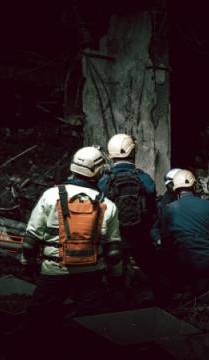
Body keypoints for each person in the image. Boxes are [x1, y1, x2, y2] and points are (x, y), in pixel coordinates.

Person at [21, 146, 121, 338]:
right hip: (90, 274)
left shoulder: (50, 195)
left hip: (53, 271)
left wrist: (28, 263)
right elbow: (114, 252)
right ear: (99, 171)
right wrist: (115, 279)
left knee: (37, 324)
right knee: (89, 328)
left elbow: (31, 239)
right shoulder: (108, 204)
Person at [99, 134, 158, 292]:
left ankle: (118, 301)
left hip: (114, 237)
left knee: (115, 272)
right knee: (150, 269)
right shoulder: (143, 178)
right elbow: (152, 203)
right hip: (140, 235)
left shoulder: (105, 180)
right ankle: (156, 299)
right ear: (133, 152)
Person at [160, 170, 209, 297]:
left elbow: (165, 240)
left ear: (175, 189)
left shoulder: (169, 209)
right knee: (201, 289)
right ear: (195, 186)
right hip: (206, 261)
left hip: (181, 261)